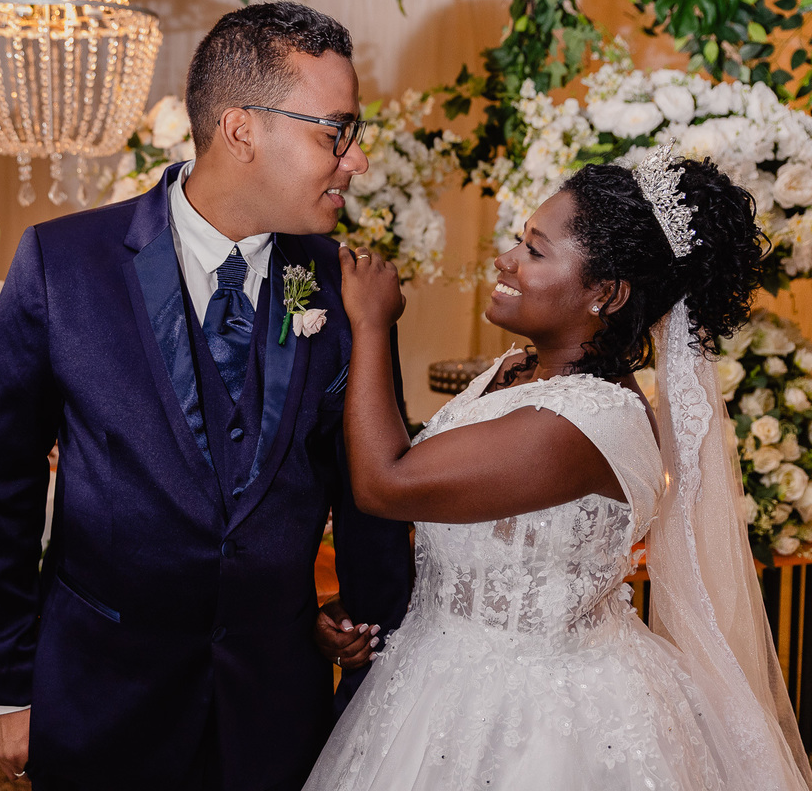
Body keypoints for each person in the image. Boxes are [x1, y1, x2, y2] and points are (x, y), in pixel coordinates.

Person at [0, 2, 413, 790]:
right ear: (242, 130)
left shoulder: (344, 286)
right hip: (101, 692)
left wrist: (371, 637)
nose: (356, 161)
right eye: (334, 132)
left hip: (275, 700)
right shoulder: (61, 265)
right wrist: (10, 685)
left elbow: (365, 484)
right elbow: (3, 486)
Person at [303, 148, 812, 789]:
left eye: (535, 251)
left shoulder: (586, 423)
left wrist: (372, 325)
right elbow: (466, 523)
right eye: (519, 239)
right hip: (434, 673)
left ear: (607, 293)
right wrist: (374, 608)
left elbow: (387, 484)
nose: (505, 260)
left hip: (530, 719)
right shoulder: (516, 369)